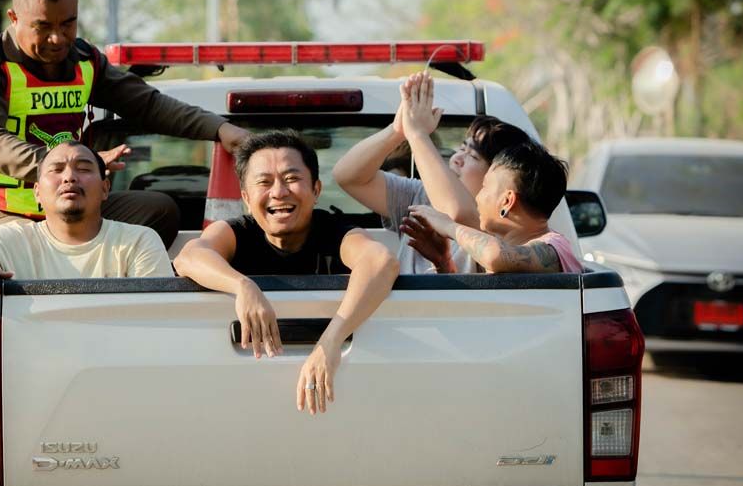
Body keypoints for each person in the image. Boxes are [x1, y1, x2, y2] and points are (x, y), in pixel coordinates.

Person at [0, 0, 248, 250]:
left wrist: (220, 129)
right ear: (14, 18)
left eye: (68, 24)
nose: (57, 38)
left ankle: (101, 273)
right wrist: (72, 165)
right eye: (43, 26)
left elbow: (148, 105)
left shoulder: (85, 59)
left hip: (71, 206)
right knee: (17, 252)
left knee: (160, 211)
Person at [173, 130, 399, 415]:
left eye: (291, 178)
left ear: (316, 190)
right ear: (246, 197)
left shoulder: (334, 231)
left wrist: (330, 342)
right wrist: (242, 286)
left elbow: (380, 261)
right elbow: (189, 256)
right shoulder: (238, 232)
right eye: (264, 182)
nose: (279, 192)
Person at [0, 141, 173, 307]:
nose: (69, 177)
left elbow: (154, 319)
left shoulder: (139, 241)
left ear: (105, 188)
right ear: (37, 192)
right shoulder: (9, 240)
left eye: (83, 168)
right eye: (56, 170)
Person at [333, 70, 529, 273]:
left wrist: (416, 134)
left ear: (498, 174)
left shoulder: (500, 221)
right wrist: (397, 131)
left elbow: (457, 213)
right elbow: (348, 176)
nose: (457, 158)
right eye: (461, 148)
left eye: (472, 156)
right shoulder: (420, 195)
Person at [408, 140, 584, 273]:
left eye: (485, 187)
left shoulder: (554, 247)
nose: (478, 197)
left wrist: (448, 226)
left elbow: (494, 256)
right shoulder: (500, 250)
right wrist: (443, 262)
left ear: (507, 201)